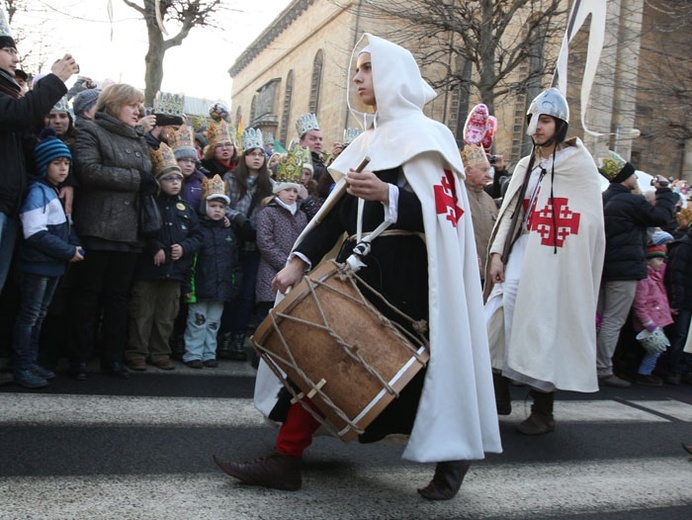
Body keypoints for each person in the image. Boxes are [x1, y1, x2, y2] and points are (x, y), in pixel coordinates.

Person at [214, 34, 501, 501]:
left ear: (393, 76)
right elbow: (333, 216)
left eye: (367, 68)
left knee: (424, 372)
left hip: (410, 281)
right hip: (358, 274)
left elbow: (447, 219)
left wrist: (390, 196)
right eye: (356, 69)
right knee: (318, 357)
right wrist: (299, 262)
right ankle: (286, 459)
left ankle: (453, 456)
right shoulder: (366, 142)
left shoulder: (430, 139)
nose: (358, 77)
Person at [484, 88, 605, 434]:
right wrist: (496, 254)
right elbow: (509, 213)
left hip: (555, 259)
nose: (537, 127)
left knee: (543, 325)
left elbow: (589, 221)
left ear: (560, 125)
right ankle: (500, 390)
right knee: (496, 314)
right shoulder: (526, 165)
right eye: (534, 120)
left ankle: (542, 409)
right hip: (522, 249)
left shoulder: (578, 166)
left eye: (546, 120)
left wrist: (559, 246)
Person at [69, 83, 155, 381]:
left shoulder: (137, 137)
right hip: (99, 226)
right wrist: (136, 178)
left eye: (139, 105)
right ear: (114, 104)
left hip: (130, 233)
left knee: (119, 299)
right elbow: (89, 170)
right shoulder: (91, 131)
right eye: (132, 104)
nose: (138, 111)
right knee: (89, 295)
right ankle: (79, 358)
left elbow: (146, 176)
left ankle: (112, 359)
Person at [0, 20, 79, 293]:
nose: (15, 57)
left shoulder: (9, 94)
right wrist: (55, 80)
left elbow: (35, 148)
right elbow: (19, 114)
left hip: (9, 205)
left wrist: (70, 179)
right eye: (8, 50)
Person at [596, 151, 677, 387]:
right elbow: (661, 216)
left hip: (602, 265)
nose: (635, 178)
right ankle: (603, 369)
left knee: (599, 319)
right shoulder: (632, 201)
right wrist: (664, 191)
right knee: (613, 320)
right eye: (632, 174)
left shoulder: (602, 198)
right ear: (625, 178)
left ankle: (591, 363)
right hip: (625, 270)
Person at [11, 129, 83, 388]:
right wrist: (67, 251)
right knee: (29, 316)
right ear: (44, 165)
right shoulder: (38, 192)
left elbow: (68, 224)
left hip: (53, 265)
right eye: (57, 163)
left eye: (66, 163)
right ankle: (21, 366)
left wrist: (75, 245)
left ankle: (30, 362)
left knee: (39, 315)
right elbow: (34, 232)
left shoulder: (54, 191)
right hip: (38, 264)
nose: (63, 169)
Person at [125, 143, 201, 371]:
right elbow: (141, 229)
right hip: (150, 269)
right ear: (159, 181)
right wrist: (155, 247)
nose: (175, 182)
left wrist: (185, 247)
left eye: (178, 179)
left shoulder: (186, 208)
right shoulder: (150, 203)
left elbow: (197, 235)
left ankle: (160, 352)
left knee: (166, 316)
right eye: (169, 179)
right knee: (142, 313)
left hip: (174, 272)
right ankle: (137, 352)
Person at [218, 128, 273, 361]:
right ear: (244, 156)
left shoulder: (269, 183)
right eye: (252, 153)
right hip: (232, 240)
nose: (257, 158)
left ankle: (238, 339)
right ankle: (223, 338)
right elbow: (222, 203)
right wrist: (239, 219)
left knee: (247, 294)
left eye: (261, 154)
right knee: (230, 289)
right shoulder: (231, 179)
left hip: (255, 245)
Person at [183, 175, 241, 368]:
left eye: (221, 207)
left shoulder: (228, 232)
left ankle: (209, 353)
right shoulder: (198, 230)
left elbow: (234, 261)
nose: (217, 210)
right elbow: (192, 261)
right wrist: (188, 286)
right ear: (204, 207)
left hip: (221, 288)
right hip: (200, 287)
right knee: (197, 322)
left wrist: (233, 285)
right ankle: (193, 354)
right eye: (213, 206)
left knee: (213, 323)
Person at [255, 150, 311, 328]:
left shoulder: (301, 215)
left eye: (295, 190)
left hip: (294, 272)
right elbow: (265, 242)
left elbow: (305, 240)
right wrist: (287, 264)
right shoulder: (268, 213)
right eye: (287, 190)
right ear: (278, 191)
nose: (292, 194)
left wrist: (298, 264)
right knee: (267, 316)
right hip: (271, 270)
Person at [631, 244, 674, 386]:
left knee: (656, 349)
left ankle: (645, 372)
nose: (661, 263)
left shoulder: (655, 277)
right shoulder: (645, 280)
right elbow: (640, 304)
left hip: (656, 319)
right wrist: (648, 323)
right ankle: (644, 373)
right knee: (655, 349)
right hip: (650, 322)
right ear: (648, 260)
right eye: (658, 259)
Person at [663, 209, 692, 384]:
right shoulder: (684, 246)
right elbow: (676, 275)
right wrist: (677, 300)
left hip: (686, 297)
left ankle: (686, 368)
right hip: (685, 299)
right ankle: (674, 369)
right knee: (680, 335)